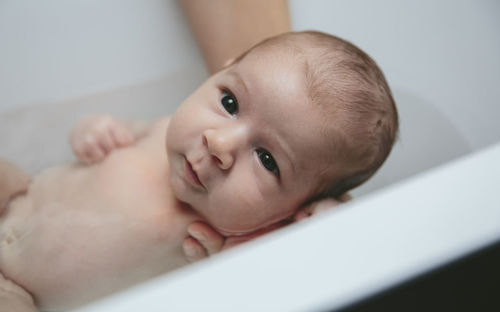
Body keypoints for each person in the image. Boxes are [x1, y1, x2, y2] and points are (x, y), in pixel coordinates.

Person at [0, 30, 398, 310]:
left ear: (293, 209)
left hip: (17, 288)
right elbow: (99, 134)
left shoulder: (221, 245)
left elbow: (306, 260)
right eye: (229, 103)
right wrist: (92, 131)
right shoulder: (162, 128)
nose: (220, 143)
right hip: (17, 192)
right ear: (219, 73)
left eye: (267, 160)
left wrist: (325, 224)